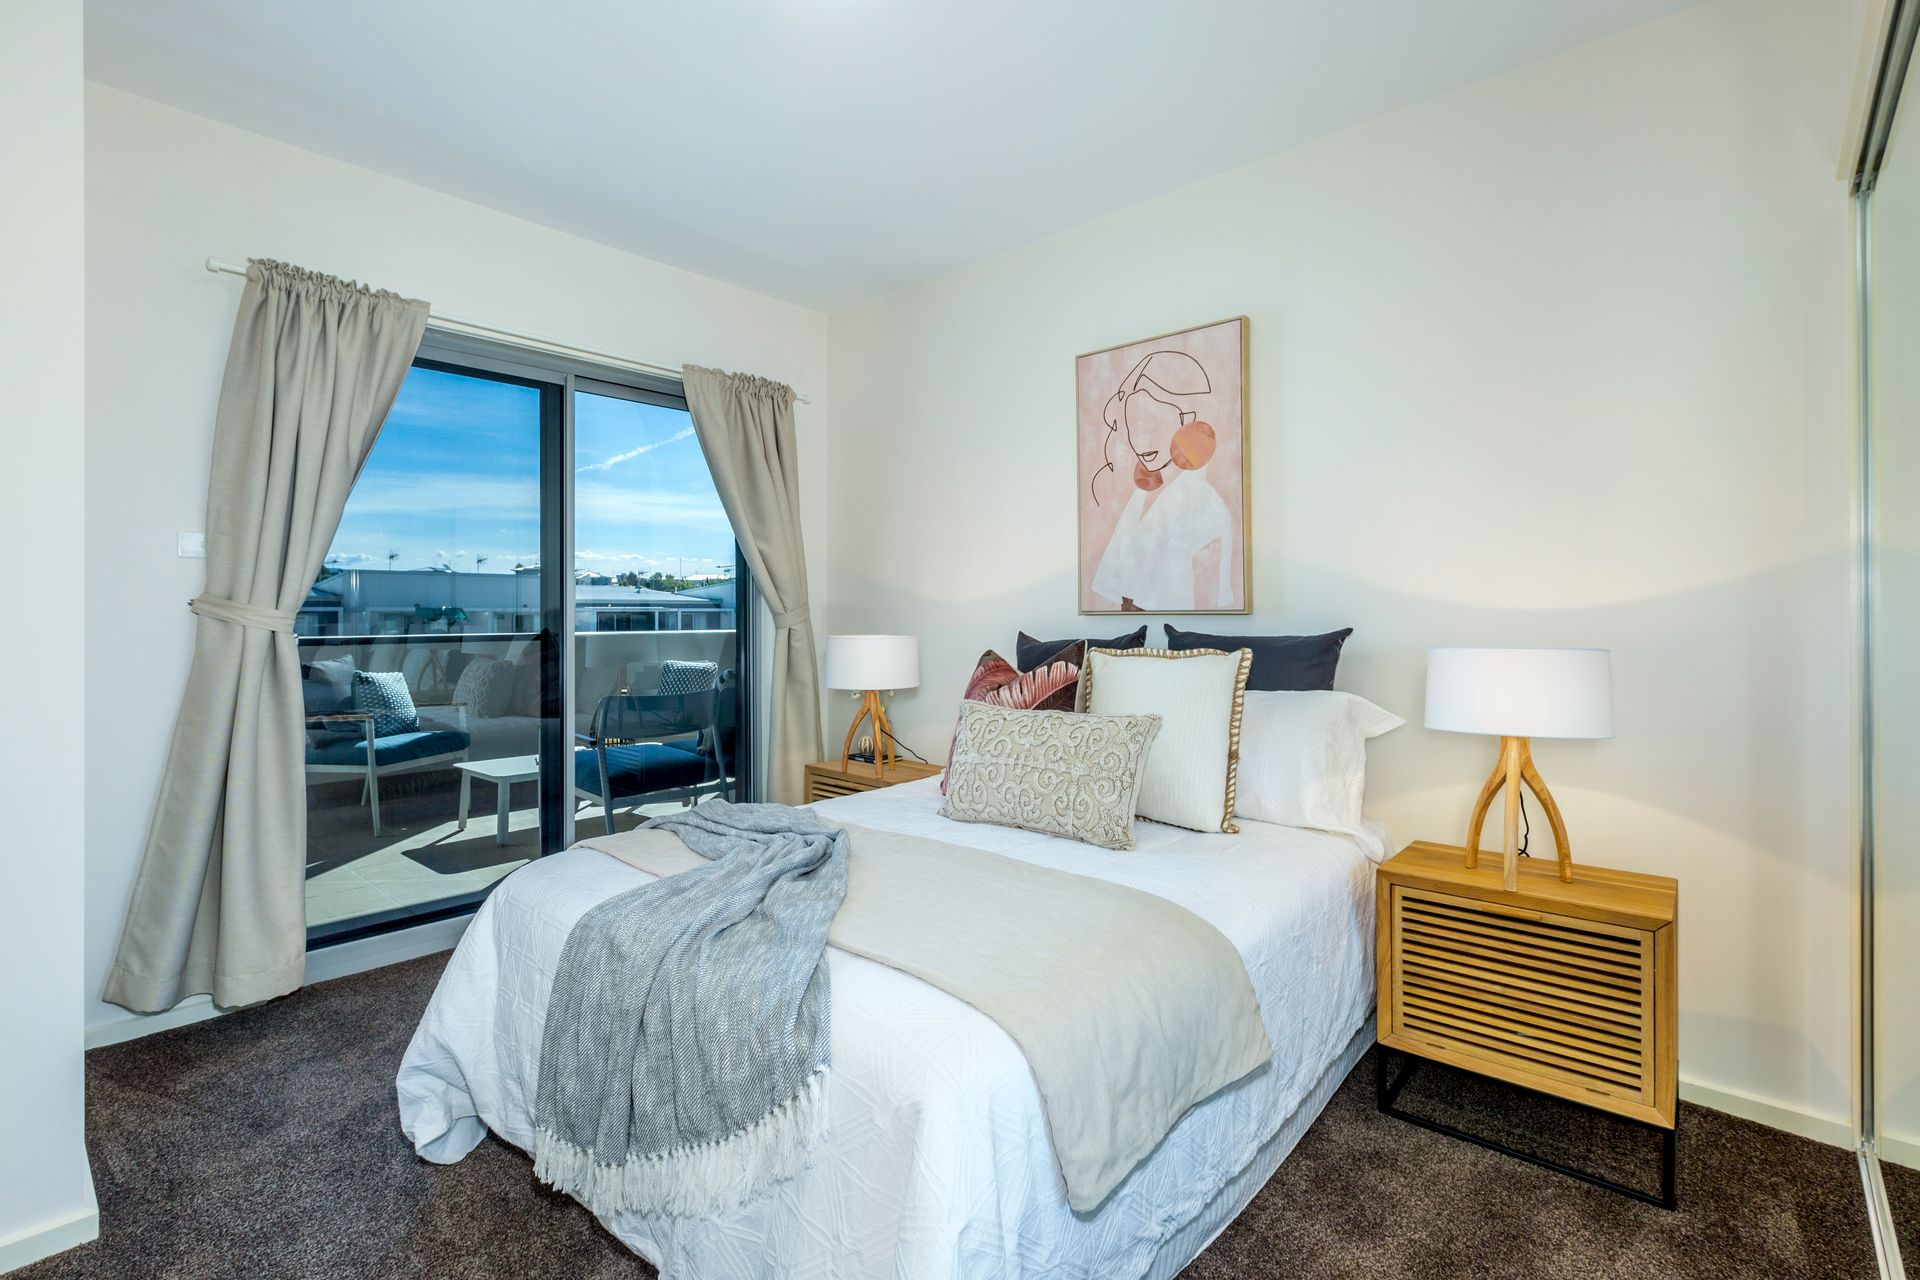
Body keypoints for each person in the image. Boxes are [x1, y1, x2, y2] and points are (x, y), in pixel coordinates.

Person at [1089, 350, 1236, 611]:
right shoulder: (1146, 493)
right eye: (1134, 421)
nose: (1140, 438)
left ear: (1186, 422)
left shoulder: (1210, 511)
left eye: (1151, 421)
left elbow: (1206, 609)